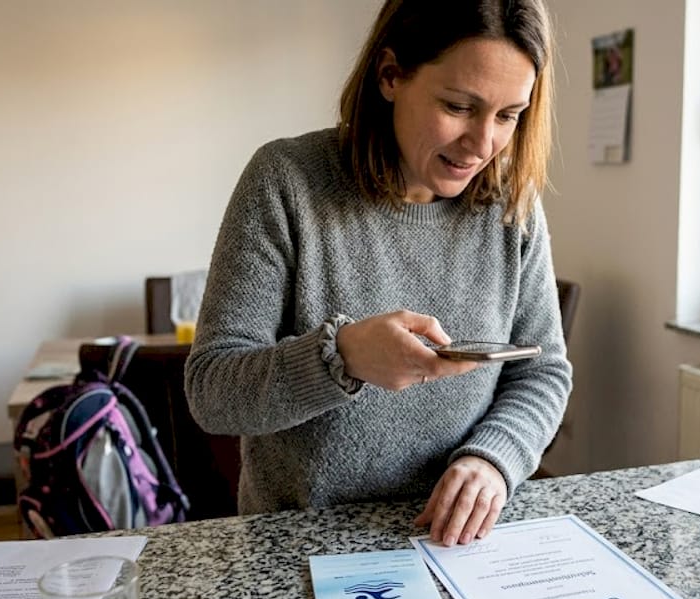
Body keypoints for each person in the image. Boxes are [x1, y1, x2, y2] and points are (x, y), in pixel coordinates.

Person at [185, 0, 572, 547]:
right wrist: (341, 357)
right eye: (460, 106)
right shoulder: (285, 181)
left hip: (456, 542)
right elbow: (213, 392)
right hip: (298, 544)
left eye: (508, 115)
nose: (483, 145)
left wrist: (493, 460)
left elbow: (542, 374)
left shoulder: (514, 206)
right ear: (391, 75)